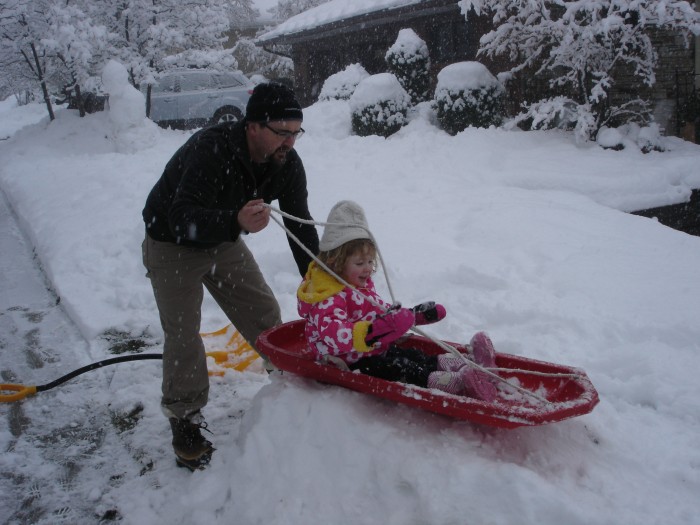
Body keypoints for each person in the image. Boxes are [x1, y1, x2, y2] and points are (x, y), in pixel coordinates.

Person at [142, 83, 319, 471]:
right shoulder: (212, 149)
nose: (290, 142)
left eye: (296, 132)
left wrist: (322, 280)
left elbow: (301, 226)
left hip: (222, 240)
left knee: (263, 310)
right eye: (282, 132)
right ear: (253, 126)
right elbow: (181, 216)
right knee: (184, 333)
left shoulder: (286, 162)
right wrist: (235, 220)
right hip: (171, 241)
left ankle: (292, 383)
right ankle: (184, 418)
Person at [297, 200, 498, 400]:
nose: (367, 268)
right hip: (348, 361)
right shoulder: (326, 296)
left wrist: (412, 316)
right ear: (335, 262)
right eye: (359, 262)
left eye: (370, 261)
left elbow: (377, 310)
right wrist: (373, 332)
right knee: (399, 368)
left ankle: (468, 366)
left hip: (373, 349)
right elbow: (334, 334)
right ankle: (458, 383)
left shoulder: (357, 284)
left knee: (412, 355)